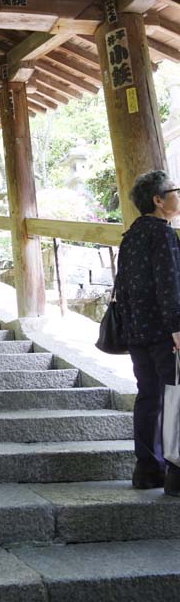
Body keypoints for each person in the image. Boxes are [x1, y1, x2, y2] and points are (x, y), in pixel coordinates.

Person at [114, 169, 180, 496]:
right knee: (175, 398)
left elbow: (123, 286)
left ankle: (146, 469)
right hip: (164, 333)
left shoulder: (131, 235)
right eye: (174, 190)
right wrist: (177, 328)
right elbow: (169, 286)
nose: (177, 195)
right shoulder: (163, 234)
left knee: (148, 396)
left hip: (137, 332)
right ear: (158, 200)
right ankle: (176, 473)